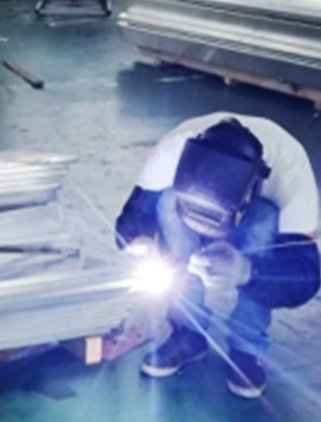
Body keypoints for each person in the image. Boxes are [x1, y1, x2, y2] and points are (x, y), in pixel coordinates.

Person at [116, 112, 320, 399]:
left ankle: (247, 349)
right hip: (184, 203)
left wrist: (248, 271)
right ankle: (188, 334)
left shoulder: (290, 176)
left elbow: (305, 275)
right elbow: (133, 216)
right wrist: (141, 244)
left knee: (265, 220)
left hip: (259, 213)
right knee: (168, 202)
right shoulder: (171, 152)